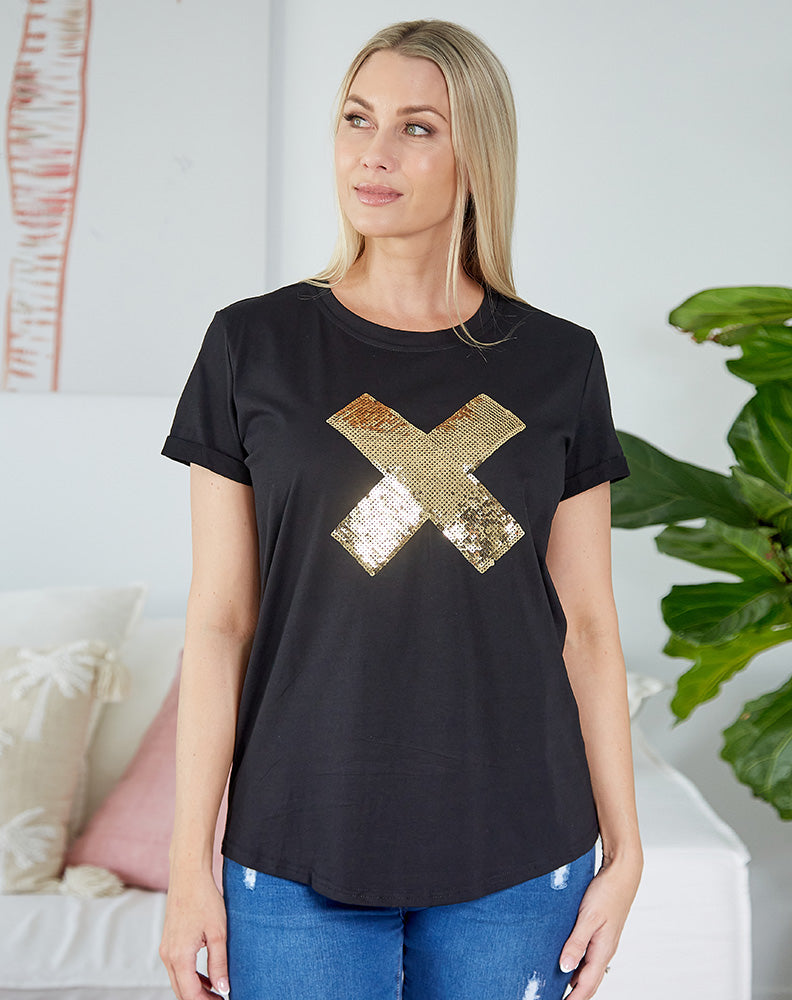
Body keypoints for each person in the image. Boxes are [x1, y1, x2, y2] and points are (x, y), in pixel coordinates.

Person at [158, 18, 643, 1000]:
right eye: (356, 118)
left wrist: (626, 850)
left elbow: (587, 625)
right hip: (297, 833)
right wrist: (185, 864)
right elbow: (219, 623)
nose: (372, 153)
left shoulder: (559, 361)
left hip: (521, 843)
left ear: (478, 155)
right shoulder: (253, 345)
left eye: (417, 127)